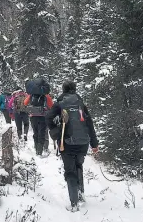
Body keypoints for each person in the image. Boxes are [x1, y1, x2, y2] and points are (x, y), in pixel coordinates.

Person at [46, 81, 99, 212]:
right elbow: (89, 123)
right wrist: (94, 144)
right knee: (79, 166)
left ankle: (74, 203)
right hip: (83, 143)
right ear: (74, 90)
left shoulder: (59, 103)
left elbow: (48, 118)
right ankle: (81, 195)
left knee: (70, 171)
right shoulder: (80, 103)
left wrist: (55, 130)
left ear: (63, 90)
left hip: (67, 143)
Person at [24, 87, 54, 156]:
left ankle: (36, 148)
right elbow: (51, 105)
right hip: (43, 117)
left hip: (33, 116)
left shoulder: (31, 95)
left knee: (35, 133)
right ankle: (39, 152)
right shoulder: (46, 95)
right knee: (42, 133)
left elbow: (25, 103)